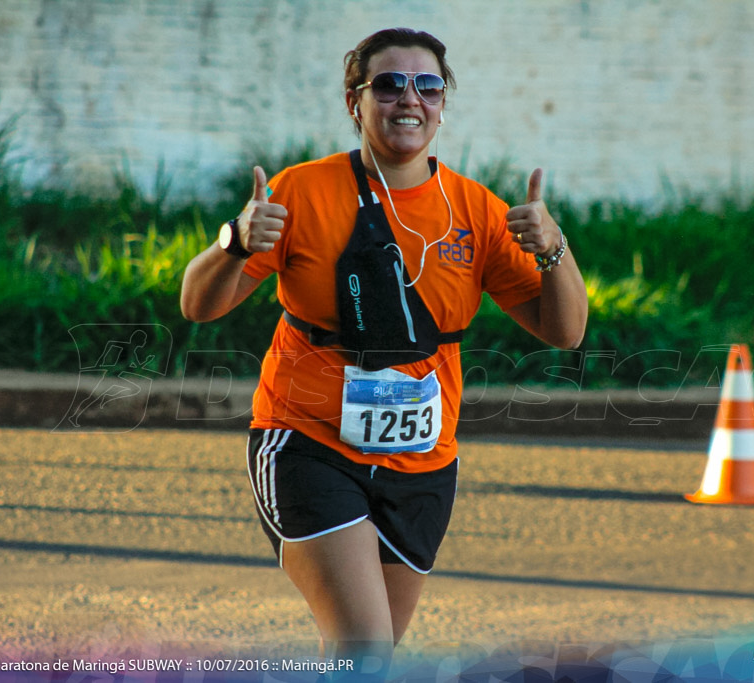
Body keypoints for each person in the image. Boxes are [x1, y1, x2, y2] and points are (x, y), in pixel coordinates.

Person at [180, 27, 588, 679]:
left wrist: (552, 247)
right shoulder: (301, 192)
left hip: (423, 461)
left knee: (366, 658)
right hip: (307, 441)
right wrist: (233, 240)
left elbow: (563, 329)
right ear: (355, 101)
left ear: (442, 102)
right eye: (389, 83)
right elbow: (198, 304)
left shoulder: (476, 210)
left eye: (427, 85)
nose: (409, 99)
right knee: (363, 648)